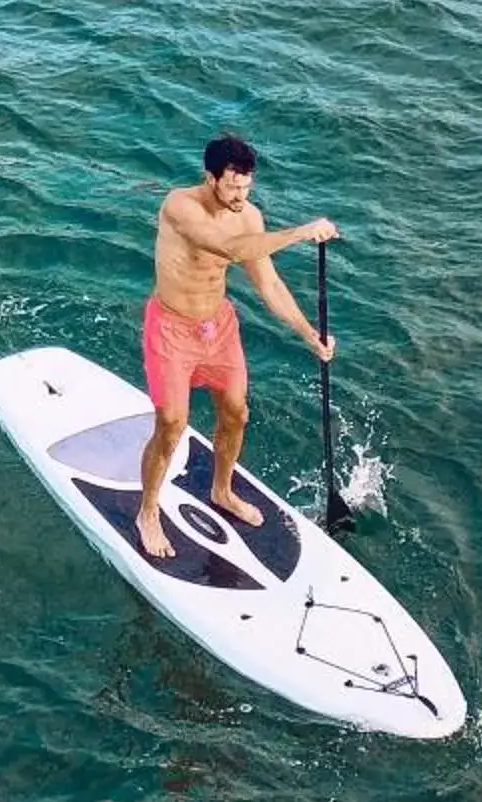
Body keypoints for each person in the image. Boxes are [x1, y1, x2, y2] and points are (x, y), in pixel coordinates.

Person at [137, 134, 336, 562]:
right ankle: (148, 511)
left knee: (236, 412)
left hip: (218, 328)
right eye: (232, 186)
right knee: (171, 422)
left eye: (248, 187)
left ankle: (222, 491)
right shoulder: (179, 207)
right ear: (210, 178)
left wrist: (308, 334)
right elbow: (227, 248)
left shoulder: (249, 217)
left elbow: (268, 283)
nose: (241, 196)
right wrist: (301, 233)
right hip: (171, 328)